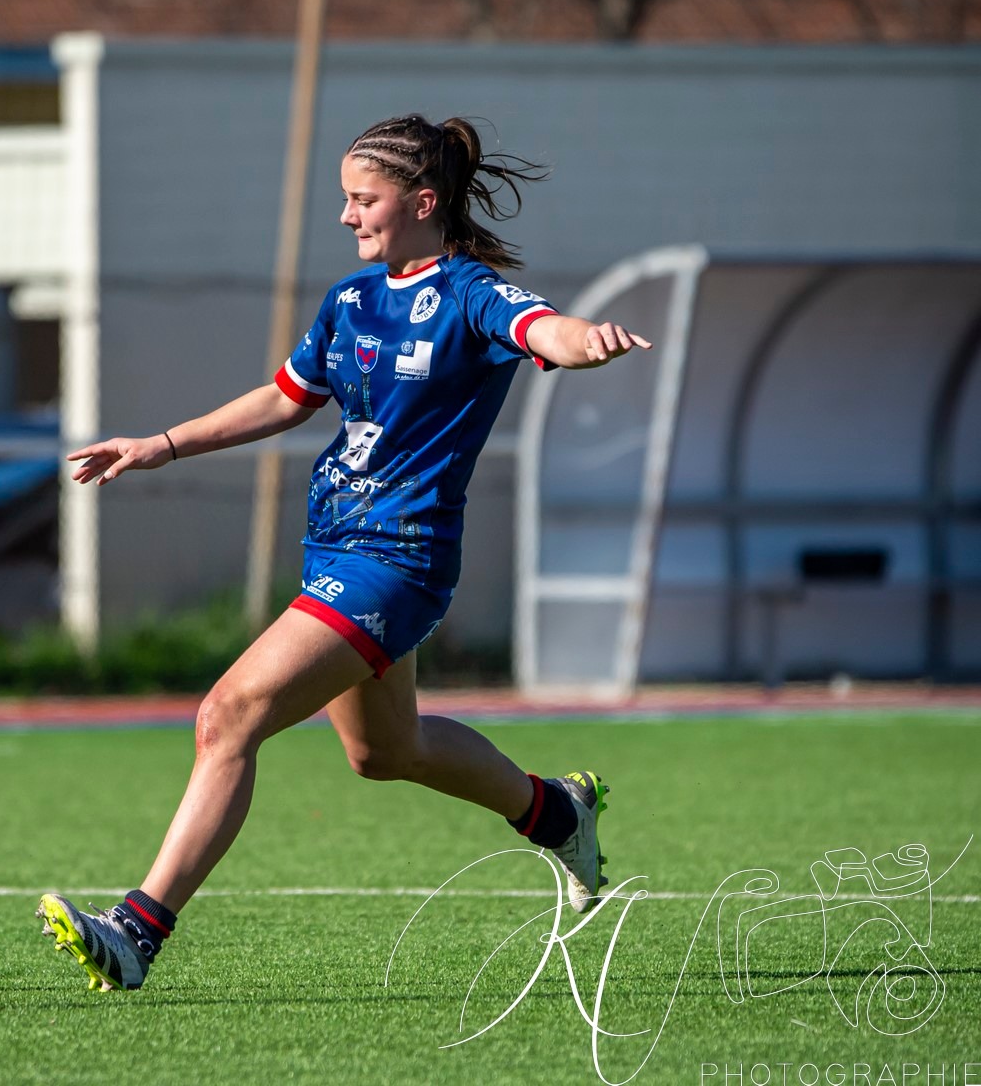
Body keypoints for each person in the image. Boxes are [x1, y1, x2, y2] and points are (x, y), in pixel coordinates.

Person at [36, 114, 652, 992]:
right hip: (333, 547)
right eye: (345, 198)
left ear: (421, 203)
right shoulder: (351, 299)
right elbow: (284, 399)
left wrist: (585, 341)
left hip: (398, 560)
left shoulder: (469, 293)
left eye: (362, 199)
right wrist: (159, 444)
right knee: (384, 753)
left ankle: (137, 931)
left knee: (227, 715)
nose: (346, 215)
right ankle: (555, 812)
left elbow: (542, 327)